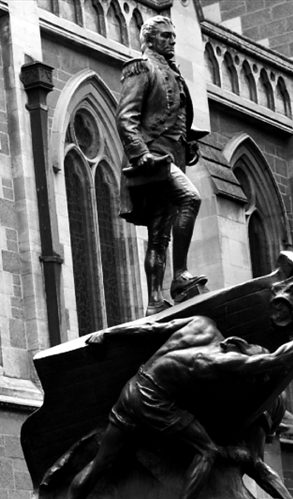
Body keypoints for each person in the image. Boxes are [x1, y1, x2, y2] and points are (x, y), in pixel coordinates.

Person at [53, 309, 293, 499]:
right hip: (155, 400)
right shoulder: (222, 362)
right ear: (242, 350)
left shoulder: (201, 324)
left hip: (134, 387)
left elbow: (150, 327)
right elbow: (277, 359)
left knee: (101, 462)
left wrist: (109, 334)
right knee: (206, 450)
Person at [116, 15, 207, 315]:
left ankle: (154, 302)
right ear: (150, 39)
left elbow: (173, 115)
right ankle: (180, 276)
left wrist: (188, 142)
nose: (172, 41)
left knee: (159, 236)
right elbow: (126, 117)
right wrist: (139, 153)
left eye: (173, 36)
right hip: (153, 161)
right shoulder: (141, 67)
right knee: (190, 199)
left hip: (173, 158)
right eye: (166, 36)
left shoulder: (174, 72)